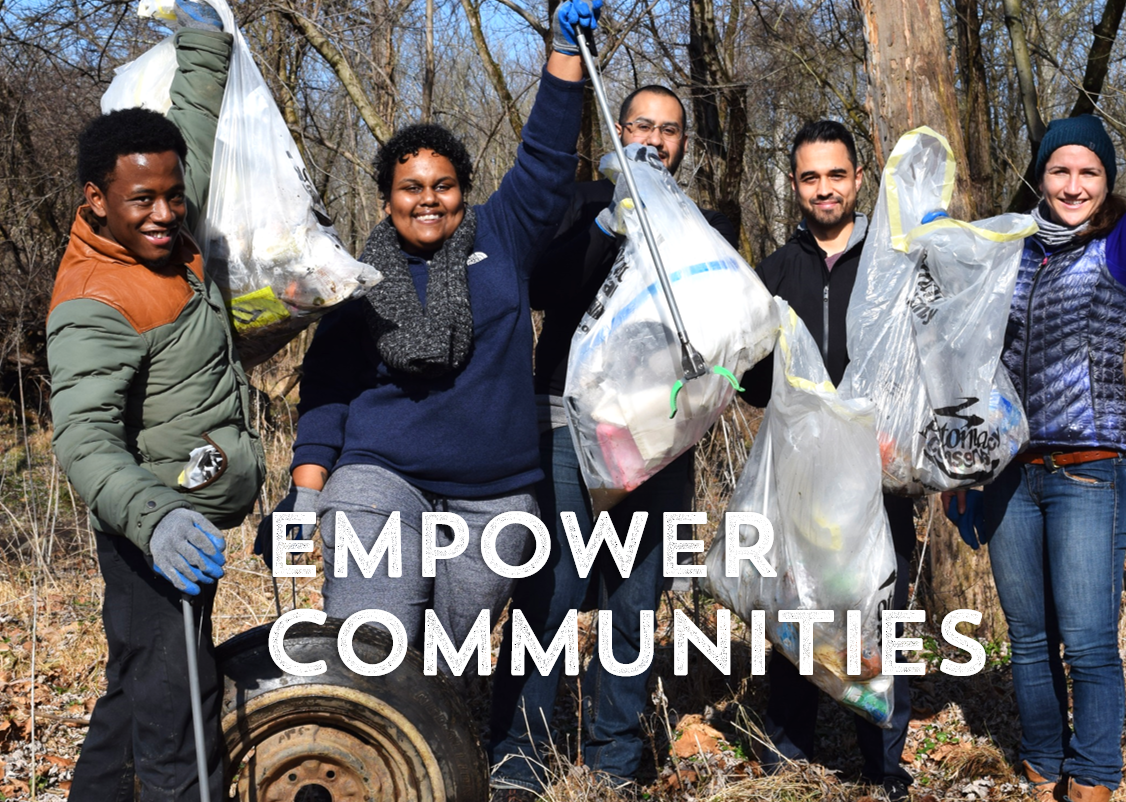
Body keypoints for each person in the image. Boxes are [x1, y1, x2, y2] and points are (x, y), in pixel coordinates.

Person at [261, 1, 600, 676]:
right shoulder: (351, 277)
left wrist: (564, 52)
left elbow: (545, 156)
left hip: (495, 489)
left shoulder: (502, 235)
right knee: (374, 646)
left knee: (448, 661)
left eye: (442, 185)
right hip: (378, 476)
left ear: (463, 191)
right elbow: (327, 387)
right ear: (386, 196)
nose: (427, 198)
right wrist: (306, 487)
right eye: (409, 187)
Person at [943, 21, 1126, 802]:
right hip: (1007, 475)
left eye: (1086, 171)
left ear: (1103, 181)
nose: (1070, 184)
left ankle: (1092, 779)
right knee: (1027, 642)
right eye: (1057, 169)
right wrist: (960, 471)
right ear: (1038, 177)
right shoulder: (1007, 252)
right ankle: (1039, 763)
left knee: (1087, 643)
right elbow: (968, 364)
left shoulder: (1121, 248)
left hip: (1088, 474)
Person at [486, 84, 740, 800]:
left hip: (660, 433)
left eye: (669, 131)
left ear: (683, 145)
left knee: (635, 596)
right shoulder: (577, 204)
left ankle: (614, 760)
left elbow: (725, 320)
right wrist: (607, 221)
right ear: (618, 131)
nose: (654, 141)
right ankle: (519, 757)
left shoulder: (706, 222)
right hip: (570, 425)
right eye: (641, 127)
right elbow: (547, 290)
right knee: (553, 588)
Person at [48, 25, 265, 802]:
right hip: (152, 542)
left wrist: (207, 46)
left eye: (174, 194)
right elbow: (80, 436)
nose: (167, 211)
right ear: (96, 201)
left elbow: (192, 129)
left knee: (132, 694)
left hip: (189, 530)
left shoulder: (166, 237)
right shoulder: (95, 302)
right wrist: (157, 518)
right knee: (177, 721)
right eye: (143, 198)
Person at [741, 120, 915, 802]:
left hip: (876, 480)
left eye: (834, 175)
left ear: (856, 177)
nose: (823, 189)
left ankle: (883, 765)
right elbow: (752, 385)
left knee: (878, 618)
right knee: (794, 614)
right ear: (794, 184)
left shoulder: (892, 263)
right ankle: (790, 757)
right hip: (797, 482)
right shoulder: (775, 273)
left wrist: (897, 438)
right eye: (810, 177)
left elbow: (919, 363)